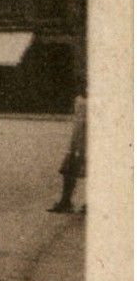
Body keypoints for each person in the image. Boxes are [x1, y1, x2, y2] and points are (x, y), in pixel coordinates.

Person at [50, 80, 87, 213]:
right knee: (68, 170)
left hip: (87, 142)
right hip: (77, 142)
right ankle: (66, 201)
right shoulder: (79, 101)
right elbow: (77, 126)